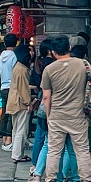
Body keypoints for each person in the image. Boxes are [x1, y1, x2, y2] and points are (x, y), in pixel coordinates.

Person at [42, 35, 91, 182]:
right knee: (81, 149)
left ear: (53, 52)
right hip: (78, 114)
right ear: (69, 48)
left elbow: (46, 96)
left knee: (54, 150)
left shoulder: (49, 69)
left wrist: (49, 115)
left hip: (57, 115)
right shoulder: (83, 64)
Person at [7, 45, 33, 163]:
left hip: (14, 101)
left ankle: (17, 154)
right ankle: (17, 155)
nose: (31, 53)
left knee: (16, 129)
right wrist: (28, 102)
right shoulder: (22, 69)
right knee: (21, 130)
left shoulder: (17, 67)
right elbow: (23, 89)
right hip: (20, 103)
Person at [30, 39, 54, 167]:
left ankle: (35, 165)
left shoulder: (37, 63)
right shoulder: (53, 65)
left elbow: (34, 82)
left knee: (40, 136)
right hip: (52, 98)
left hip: (41, 97)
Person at [0, 33, 19, 151]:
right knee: (11, 113)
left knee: (5, 113)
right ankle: (9, 141)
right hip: (12, 87)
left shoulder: (2, 56)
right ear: (15, 43)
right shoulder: (14, 56)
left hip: (3, 86)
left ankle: (4, 140)